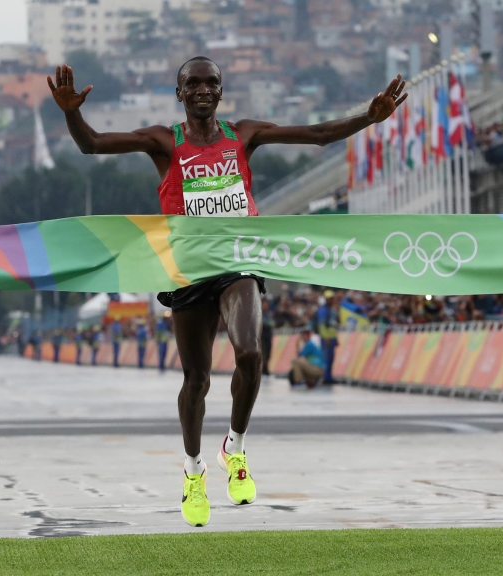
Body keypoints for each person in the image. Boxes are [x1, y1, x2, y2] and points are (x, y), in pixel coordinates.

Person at [48, 57, 405, 526]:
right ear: (179, 93)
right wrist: (72, 112)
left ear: (221, 90)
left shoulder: (245, 135)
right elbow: (92, 145)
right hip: (191, 269)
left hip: (239, 260)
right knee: (196, 380)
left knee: (251, 355)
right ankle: (193, 471)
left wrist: (367, 117)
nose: (202, 89)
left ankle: (234, 449)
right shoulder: (163, 141)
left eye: (210, 82)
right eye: (191, 83)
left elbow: (316, 134)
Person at [315, 290, 340, 383]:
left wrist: (335, 338)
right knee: (326, 359)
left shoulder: (332, 310)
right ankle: (325, 377)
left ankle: (329, 377)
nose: (332, 300)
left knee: (331, 359)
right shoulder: (323, 310)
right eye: (330, 298)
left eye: (332, 298)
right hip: (327, 339)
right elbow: (321, 326)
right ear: (326, 299)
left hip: (332, 337)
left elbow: (333, 325)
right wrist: (326, 338)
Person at [260, 298, 275, 377]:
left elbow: (273, 323)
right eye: (264, 303)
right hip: (262, 336)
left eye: (267, 303)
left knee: (268, 353)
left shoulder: (268, 313)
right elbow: (265, 323)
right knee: (264, 354)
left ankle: (265, 368)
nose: (266, 305)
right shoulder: (260, 313)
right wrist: (269, 324)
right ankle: (264, 369)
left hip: (268, 336)